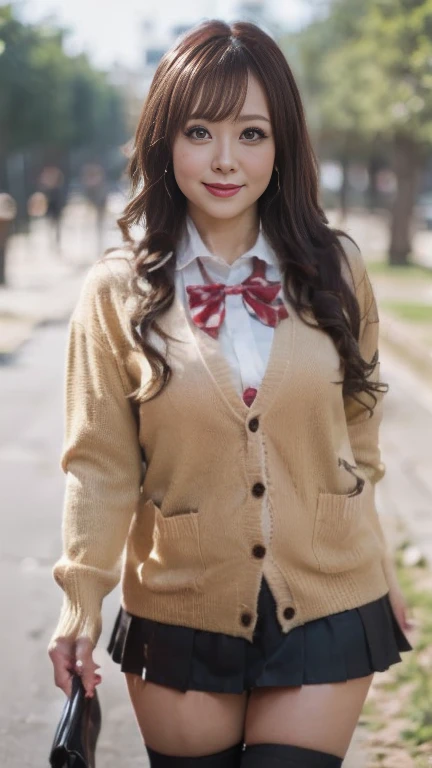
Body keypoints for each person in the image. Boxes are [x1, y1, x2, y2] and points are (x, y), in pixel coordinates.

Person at [48, 20, 414, 768]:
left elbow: (359, 437)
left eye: (251, 133)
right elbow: (99, 463)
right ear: (163, 139)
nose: (224, 159)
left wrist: (377, 563)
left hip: (328, 599)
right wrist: (80, 599)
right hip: (180, 605)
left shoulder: (335, 270)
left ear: (281, 147)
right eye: (198, 130)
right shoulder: (117, 292)